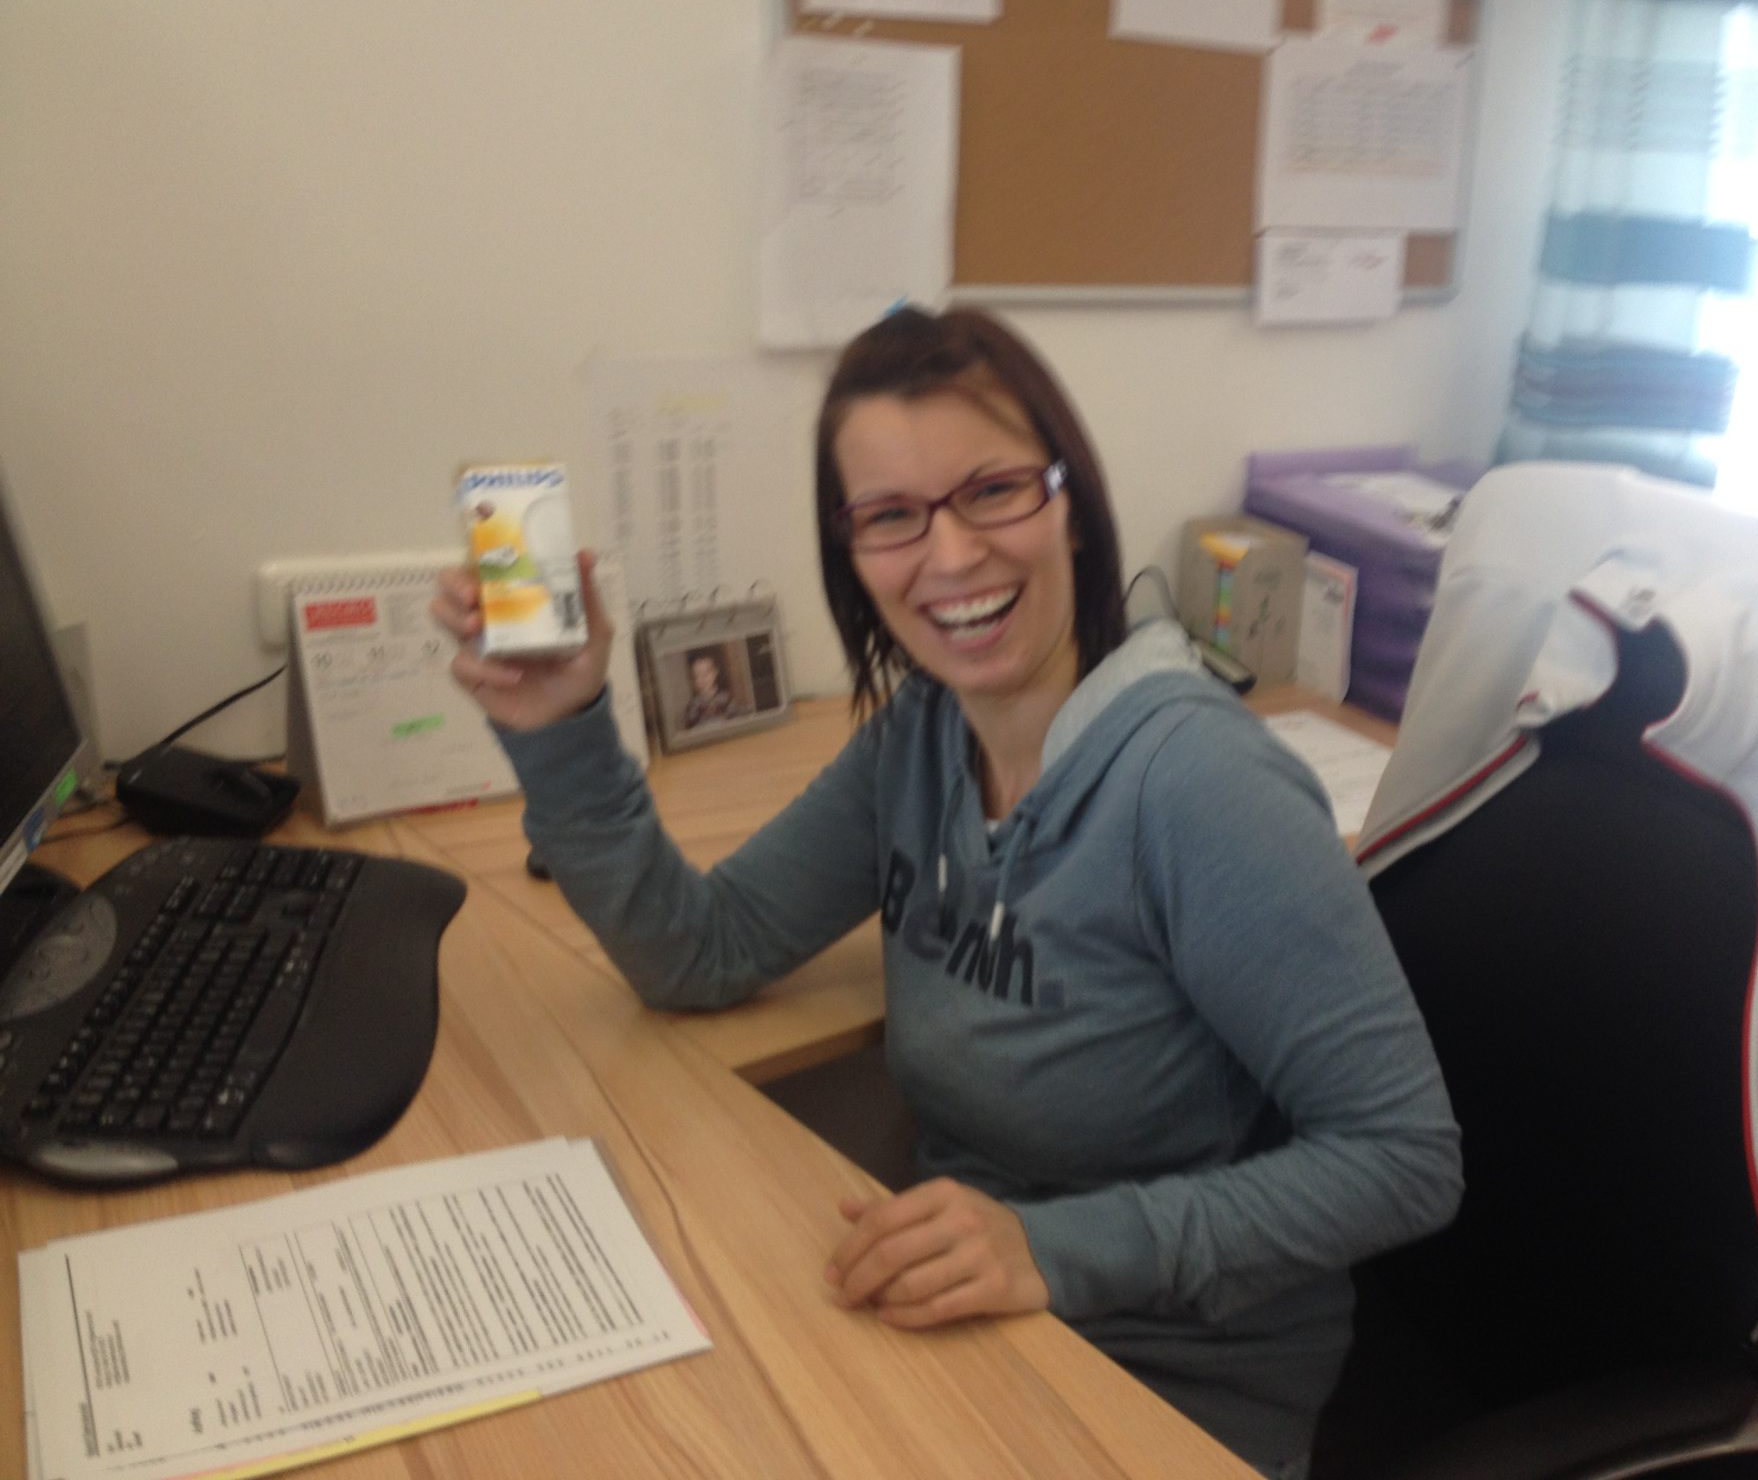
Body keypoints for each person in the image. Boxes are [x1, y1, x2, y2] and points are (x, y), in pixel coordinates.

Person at [431, 307, 1460, 1479]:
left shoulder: (1197, 788)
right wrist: (563, 724)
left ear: (1070, 502)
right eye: (891, 516)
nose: (951, 556)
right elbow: (700, 952)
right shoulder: (920, 738)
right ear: (851, 553)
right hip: (970, 1316)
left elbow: (1403, 1157)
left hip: (1171, 1379)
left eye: (993, 490)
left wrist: (1050, 1250)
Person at [680, 649, 733, 728]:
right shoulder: (693, 705)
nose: (702, 679)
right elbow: (689, 726)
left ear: (715, 672)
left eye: (706, 673)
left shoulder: (726, 698)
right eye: (697, 675)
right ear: (693, 680)